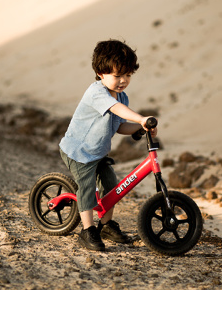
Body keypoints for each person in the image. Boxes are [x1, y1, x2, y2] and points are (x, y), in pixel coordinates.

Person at [59, 39, 157, 251]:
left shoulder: (122, 96)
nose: (123, 80)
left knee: (110, 182)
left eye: (128, 75)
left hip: (97, 152)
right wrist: (140, 118)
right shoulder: (97, 93)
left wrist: (141, 128)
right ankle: (87, 231)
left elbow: (119, 125)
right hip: (79, 151)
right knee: (86, 186)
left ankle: (106, 225)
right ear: (101, 73)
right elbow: (116, 110)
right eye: (117, 75)